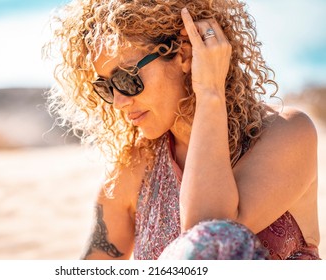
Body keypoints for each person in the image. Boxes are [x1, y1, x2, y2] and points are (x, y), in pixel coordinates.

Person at [44, 0, 321, 260]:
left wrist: (210, 91)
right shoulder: (133, 170)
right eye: (106, 87)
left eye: (126, 79)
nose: (118, 101)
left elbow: (209, 239)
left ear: (185, 54)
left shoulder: (287, 133)